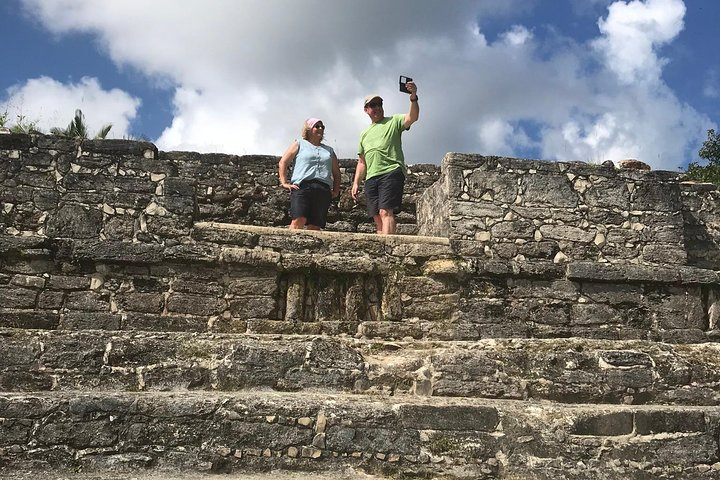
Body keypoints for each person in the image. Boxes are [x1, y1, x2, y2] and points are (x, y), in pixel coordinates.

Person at [351, 80, 419, 235]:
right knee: (376, 217)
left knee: (385, 212)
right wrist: (356, 183)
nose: (377, 108)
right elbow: (362, 161)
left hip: (391, 171)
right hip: (371, 177)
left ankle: (389, 248)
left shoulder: (393, 121)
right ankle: (382, 250)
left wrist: (413, 97)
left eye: (379, 104)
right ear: (366, 110)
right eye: (373, 105)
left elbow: (412, 117)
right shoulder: (364, 134)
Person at [278, 117, 341, 230]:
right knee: (298, 219)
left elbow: (336, 173)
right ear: (309, 129)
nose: (320, 128)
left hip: (323, 188)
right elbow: (283, 162)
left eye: (322, 126)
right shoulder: (299, 144)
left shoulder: (329, 150)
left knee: (316, 224)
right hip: (302, 187)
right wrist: (284, 182)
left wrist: (336, 190)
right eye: (317, 126)